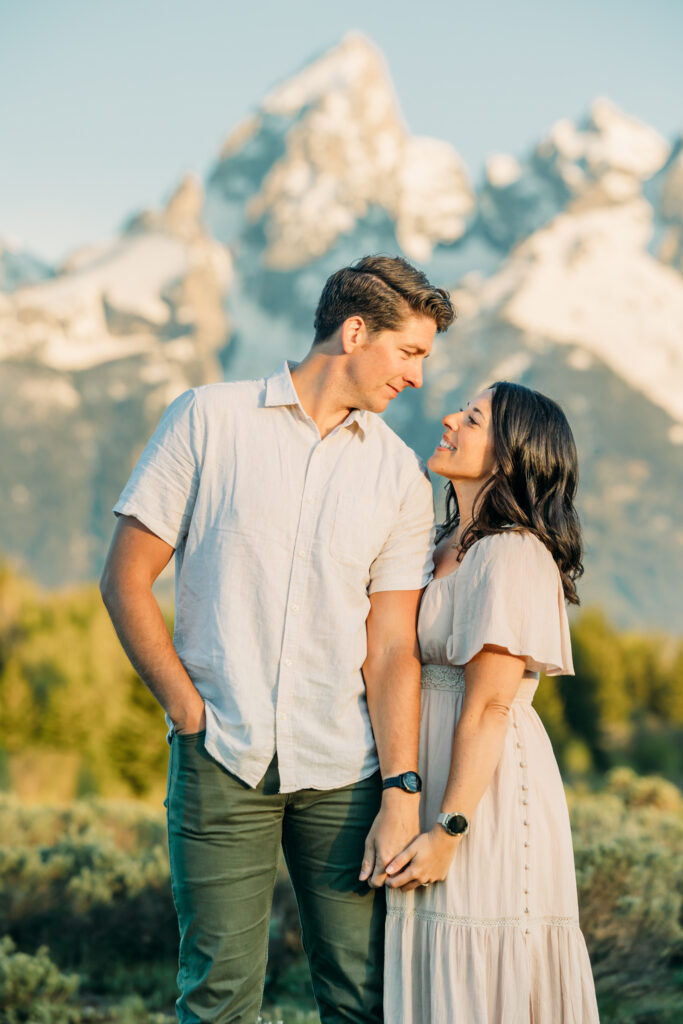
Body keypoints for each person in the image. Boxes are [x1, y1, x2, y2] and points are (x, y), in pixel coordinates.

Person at [99, 255, 455, 1024]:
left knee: (361, 997)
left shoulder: (397, 475)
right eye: (410, 353)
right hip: (220, 753)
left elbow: (391, 645)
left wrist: (400, 788)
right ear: (354, 331)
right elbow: (126, 579)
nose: (418, 378)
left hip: (345, 772)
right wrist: (187, 711)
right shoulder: (207, 418)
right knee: (218, 996)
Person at [383, 382, 600, 1022]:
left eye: (472, 418)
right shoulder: (440, 544)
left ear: (510, 455)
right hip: (432, 769)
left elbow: (489, 708)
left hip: (485, 792)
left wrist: (450, 830)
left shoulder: (512, 552)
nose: (449, 418)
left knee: (483, 945)